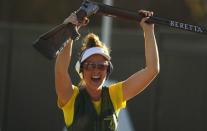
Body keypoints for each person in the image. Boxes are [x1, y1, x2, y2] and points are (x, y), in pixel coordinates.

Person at [55, 10, 160, 131]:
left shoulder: (114, 95)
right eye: (90, 66)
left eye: (101, 66)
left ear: (107, 70)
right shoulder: (70, 97)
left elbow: (152, 70)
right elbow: (60, 71)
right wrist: (68, 32)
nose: (96, 71)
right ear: (81, 70)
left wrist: (148, 30)